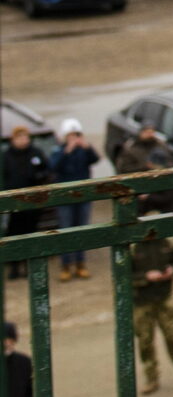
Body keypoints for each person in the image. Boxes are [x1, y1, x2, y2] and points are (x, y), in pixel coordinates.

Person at [129, 226, 173, 394]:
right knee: (145, 341)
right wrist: (145, 277)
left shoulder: (168, 242)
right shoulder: (134, 246)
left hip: (164, 298)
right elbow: (123, 274)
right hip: (142, 301)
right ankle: (151, 378)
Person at [48, 120, 99, 280]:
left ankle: (80, 263)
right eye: (70, 135)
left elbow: (96, 159)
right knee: (66, 230)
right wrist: (66, 152)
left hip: (83, 196)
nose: (74, 139)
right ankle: (65, 265)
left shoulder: (83, 151)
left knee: (82, 230)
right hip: (65, 197)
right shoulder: (59, 150)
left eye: (76, 135)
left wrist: (88, 147)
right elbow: (53, 167)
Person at [0, 129, 48, 277]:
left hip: (33, 202)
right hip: (13, 203)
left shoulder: (36, 153)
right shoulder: (6, 156)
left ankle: (29, 267)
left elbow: (47, 170)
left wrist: (39, 176)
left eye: (25, 137)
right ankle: (14, 267)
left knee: (31, 233)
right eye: (19, 137)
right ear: (13, 139)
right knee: (13, 233)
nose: (23, 140)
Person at [113, 125, 173, 216]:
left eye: (152, 132)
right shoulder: (131, 149)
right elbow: (123, 169)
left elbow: (171, 162)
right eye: (147, 132)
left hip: (160, 188)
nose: (150, 134)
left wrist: (160, 168)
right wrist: (145, 167)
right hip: (141, 188)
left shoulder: (161, 146)